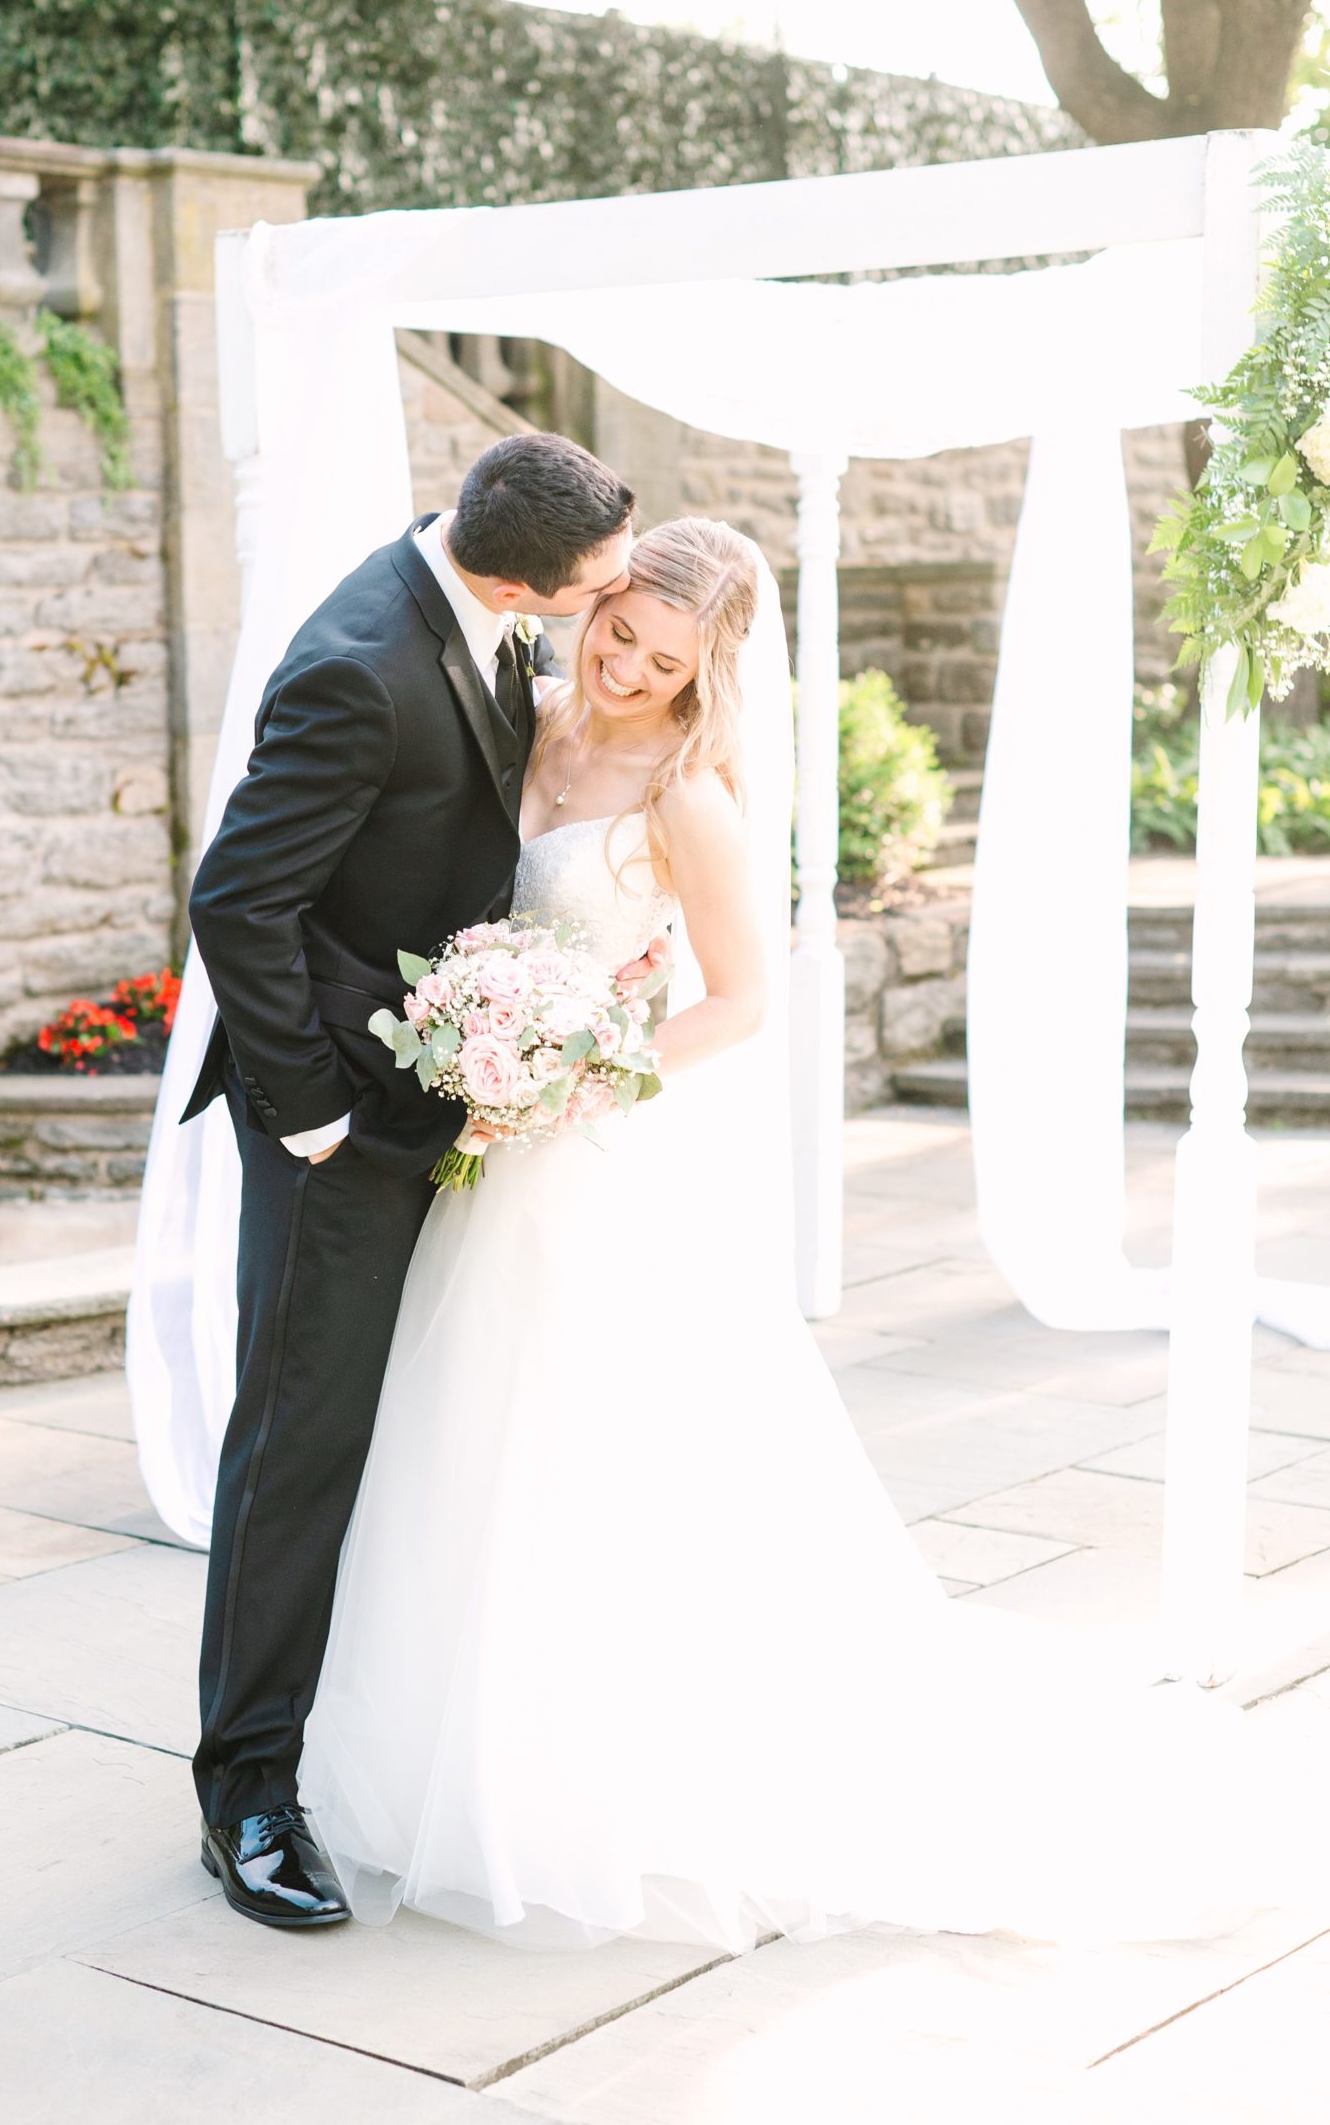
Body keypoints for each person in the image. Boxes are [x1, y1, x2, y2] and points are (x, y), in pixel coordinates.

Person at [298, 516, 1329, 1951]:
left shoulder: (687, 799)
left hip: (576, 1145)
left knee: (583, 1455)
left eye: (663, 663)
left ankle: (588, 1774)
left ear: (705, 671)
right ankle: (434, 1736)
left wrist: (578, 1068)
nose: (626, 673)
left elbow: (740, 1000)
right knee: (452, 1439)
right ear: (592, 606)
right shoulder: (513, 720)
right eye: (617, 635)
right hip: (473, 1152)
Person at [182, 432, 638, 1928]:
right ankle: (246, 1796)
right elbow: (240, 901)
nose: (611, 608)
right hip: (337, 1126)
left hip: (445, 1092)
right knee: (296, 1449)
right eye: (598, 594)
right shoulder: (362, 665)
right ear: (515, 573)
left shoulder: (482, 605)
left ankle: (368, 1739)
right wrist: (308, 1117)